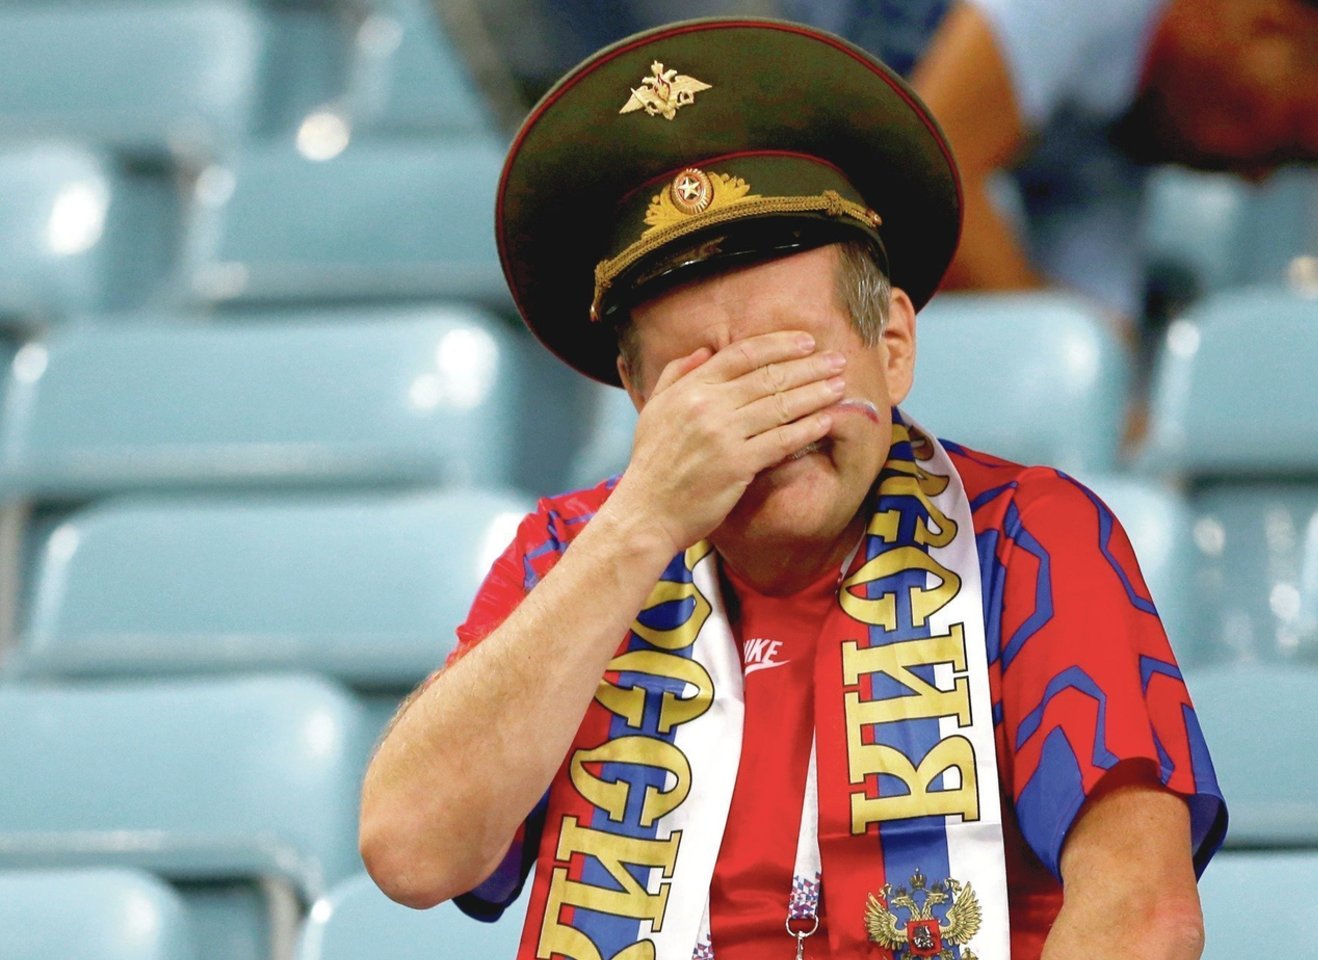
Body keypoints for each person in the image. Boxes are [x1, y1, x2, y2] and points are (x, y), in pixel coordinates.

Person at [359, 18, 1226, 960]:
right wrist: (641, 521)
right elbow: (413, 852)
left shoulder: (1025, 538)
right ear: (642, 400)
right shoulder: (573, 551)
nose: (758, 420)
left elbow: (1144, 917)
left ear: (893, 348)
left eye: (793, 362)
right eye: (704, 381)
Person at [894, 0, 1318, 328]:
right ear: (1266, 24)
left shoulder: (1113, 155)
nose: (1256, 179)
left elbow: (1101, 348)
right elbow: (916, 175)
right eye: (1287, 140)